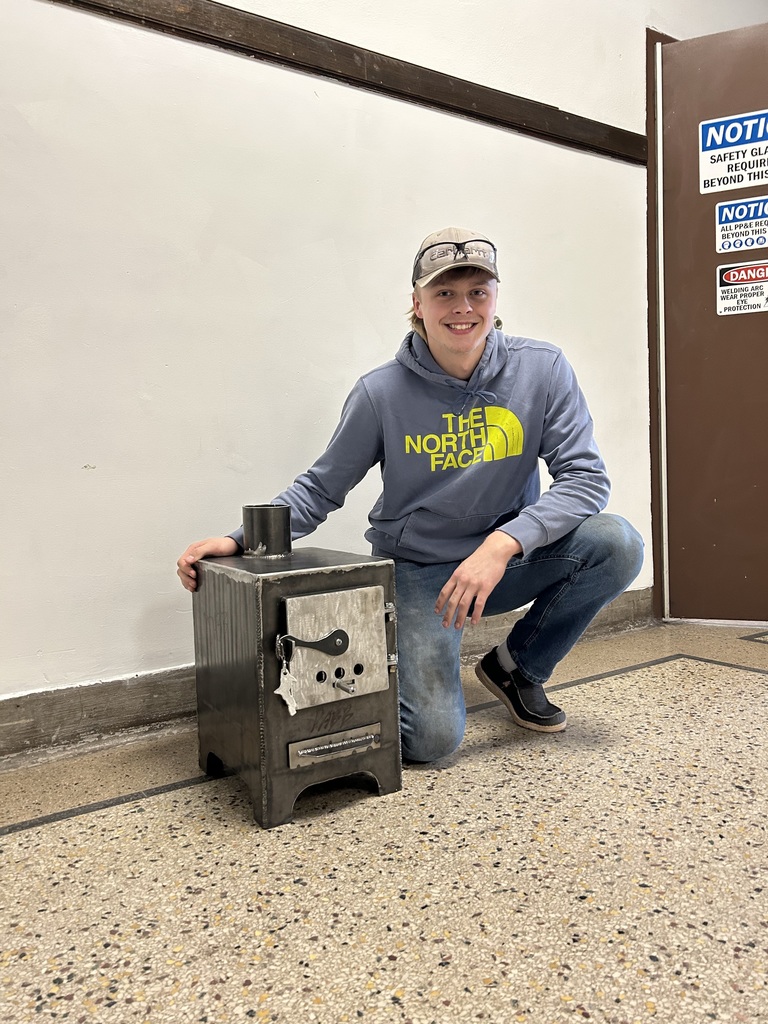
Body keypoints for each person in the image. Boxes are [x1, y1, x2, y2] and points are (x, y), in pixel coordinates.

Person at [177, 227, 643, 763]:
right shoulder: (380, 393)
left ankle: (517, 669)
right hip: (421, 573)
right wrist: (238, 541)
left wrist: (500, 546)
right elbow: (321, 488)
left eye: (477, 292)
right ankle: (393, 662)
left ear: (495, 298)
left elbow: (585, 478)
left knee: (618, 543)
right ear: (416, 304)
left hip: (502, 562)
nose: (462, 307)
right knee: (432, 742)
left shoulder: (544, 368)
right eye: (444, 292)